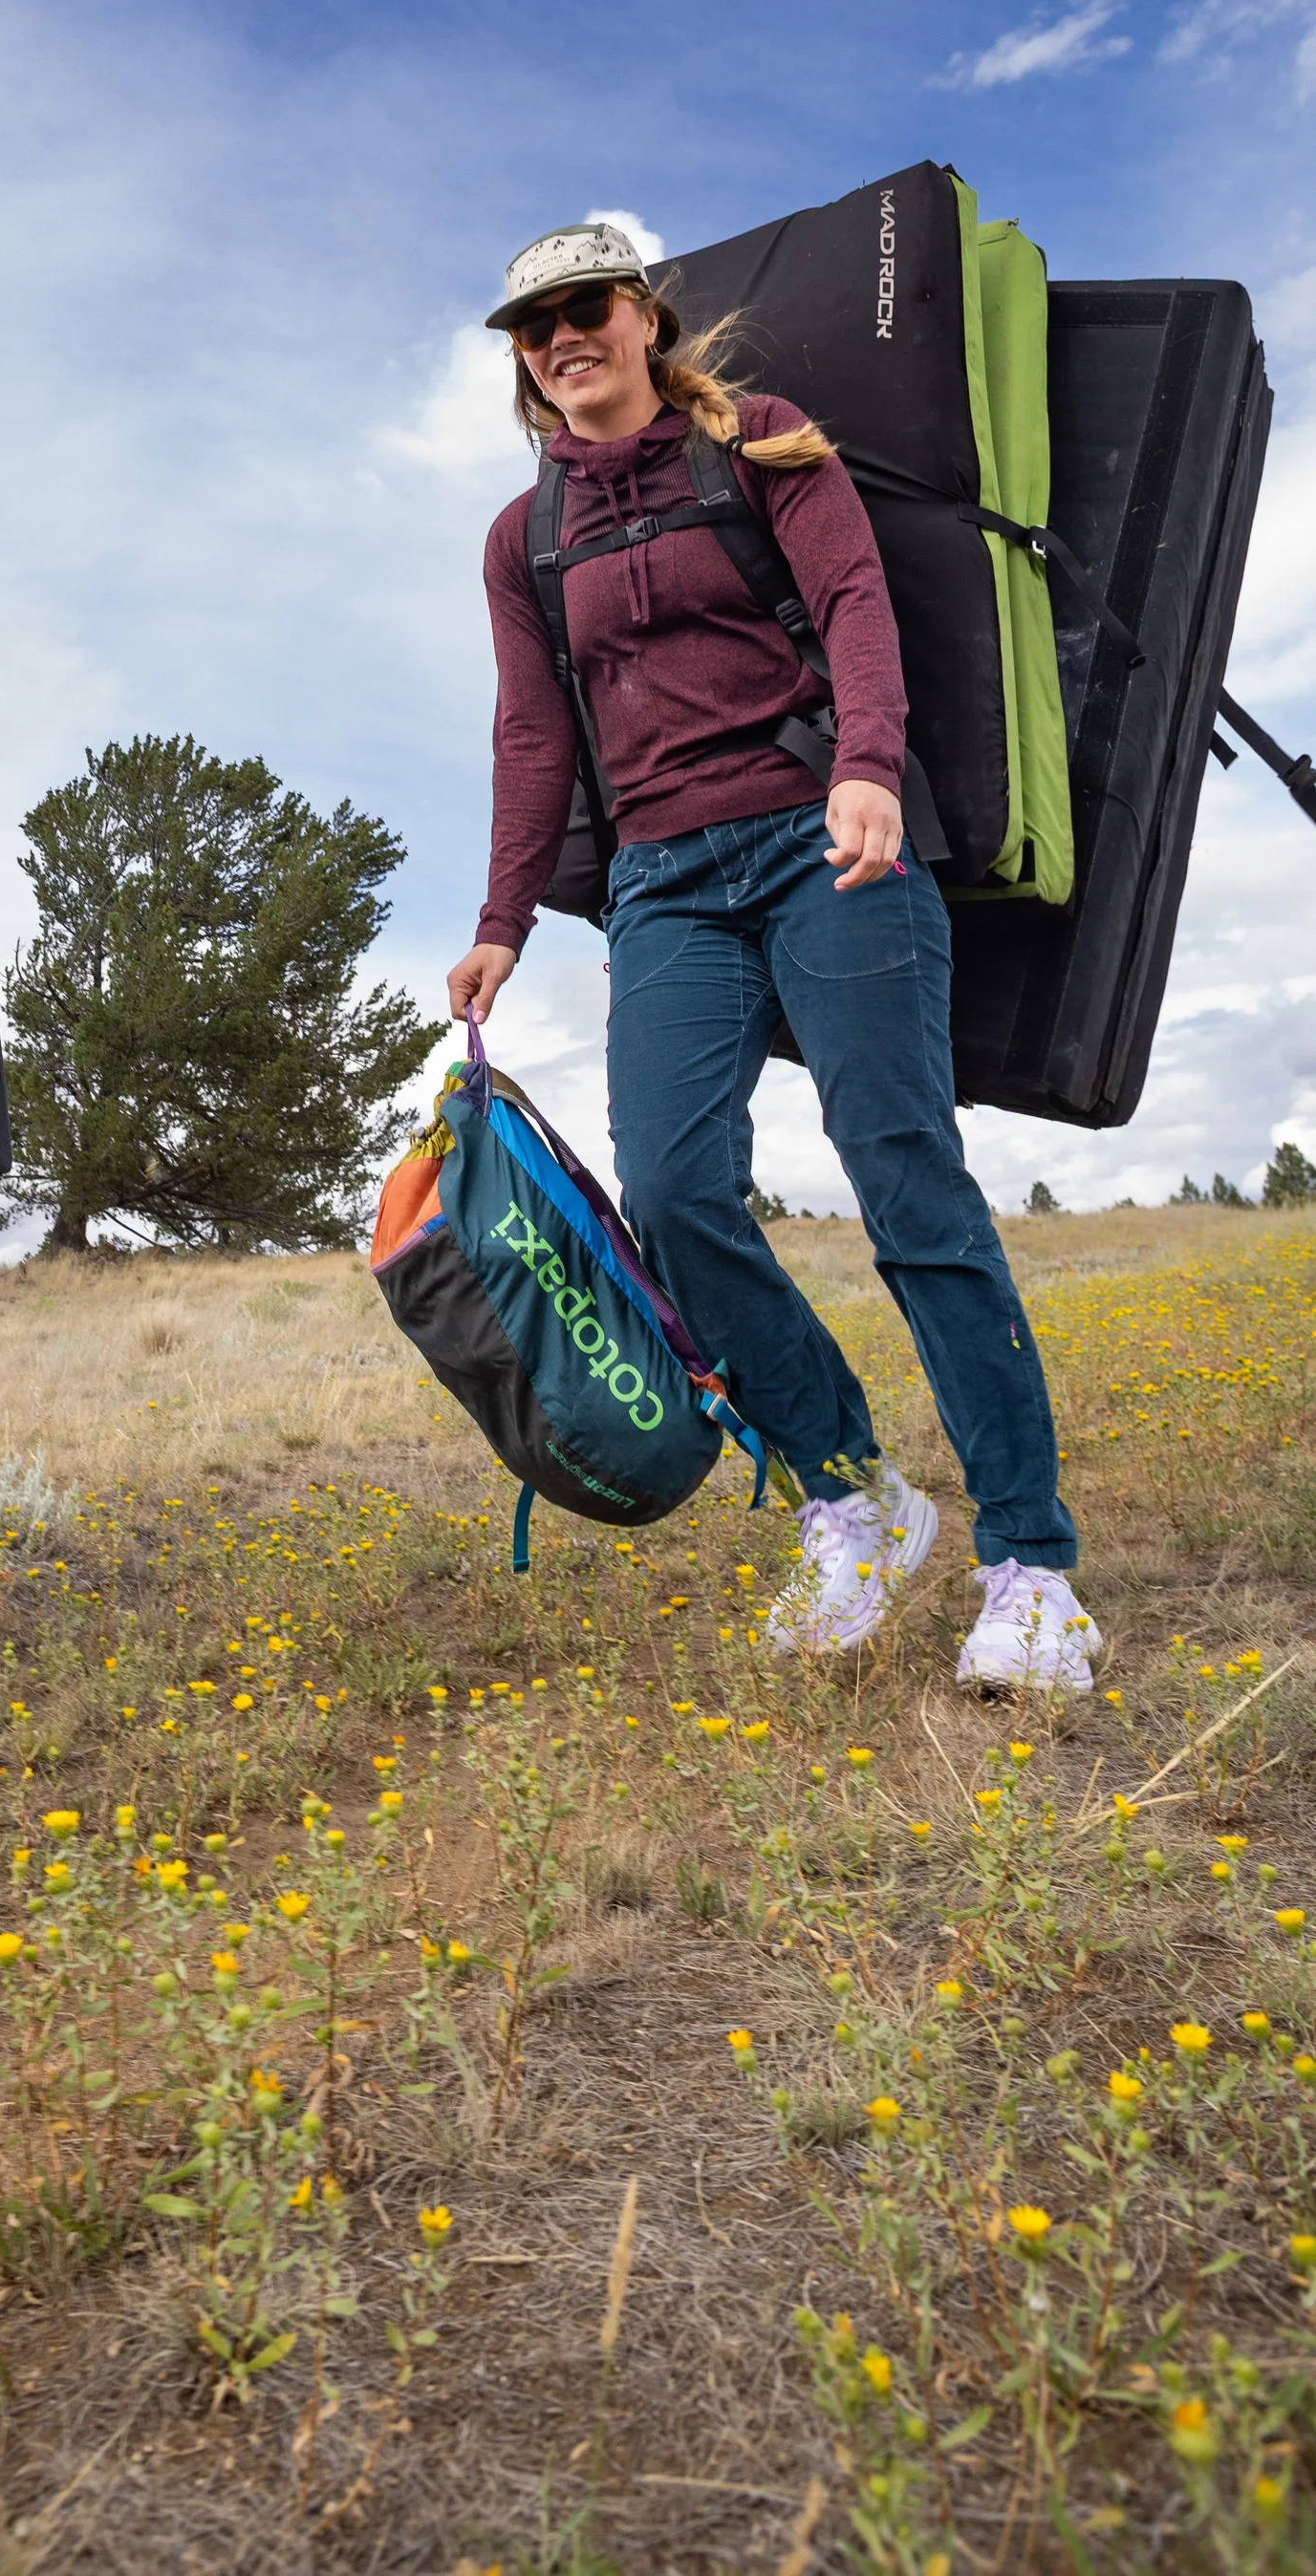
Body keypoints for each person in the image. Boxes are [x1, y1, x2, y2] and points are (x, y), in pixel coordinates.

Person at [442, 219, 1100, 1696]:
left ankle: (1033, 1567)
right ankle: (854, 1500)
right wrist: (497, 923)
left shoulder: (761, 440)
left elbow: (859, 601)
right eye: (532, 324)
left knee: (905, 1177)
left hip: (826, 840)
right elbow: (534, 735)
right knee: (672, 1196)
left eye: (584, 305)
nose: (561, 336)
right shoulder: (522, 538)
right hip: (666, 887)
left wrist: (870, 762)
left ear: (642, 313)